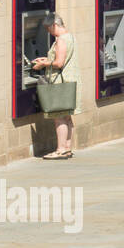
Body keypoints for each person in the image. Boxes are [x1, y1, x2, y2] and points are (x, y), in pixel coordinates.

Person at [31, 13, 80, 160]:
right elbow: (61, 59)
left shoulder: (61, 40)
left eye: (48, 29)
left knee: (58, 117)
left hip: (60, 82)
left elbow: (59, 63)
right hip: (70, 80)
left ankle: (60, 150)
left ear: (54, 25)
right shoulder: (71, 37)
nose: (48, 32)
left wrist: (42, 64)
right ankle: (67, 148)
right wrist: (46, 59)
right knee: (67, 116)